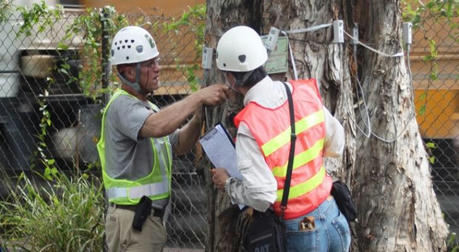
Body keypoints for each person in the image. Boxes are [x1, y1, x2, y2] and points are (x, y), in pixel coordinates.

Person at [211, 25, 351, 251]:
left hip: (302, 230)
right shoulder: (304, 93)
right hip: (334, 217)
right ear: (263, 60)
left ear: (231, 79)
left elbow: (262, 196)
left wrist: (228, 184)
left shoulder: (251, 124)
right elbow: (337, 142)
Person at [97, 26, 228, 252]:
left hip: (146, 219)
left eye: (156, 61)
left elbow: (178, 145)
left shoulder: (148, 108)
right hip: (134, 221)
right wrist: (197, 97)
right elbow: (157, 126)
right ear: (128, 72)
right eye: (149, 64)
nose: (158, 69)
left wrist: (197, 119)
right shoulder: (122, 105)